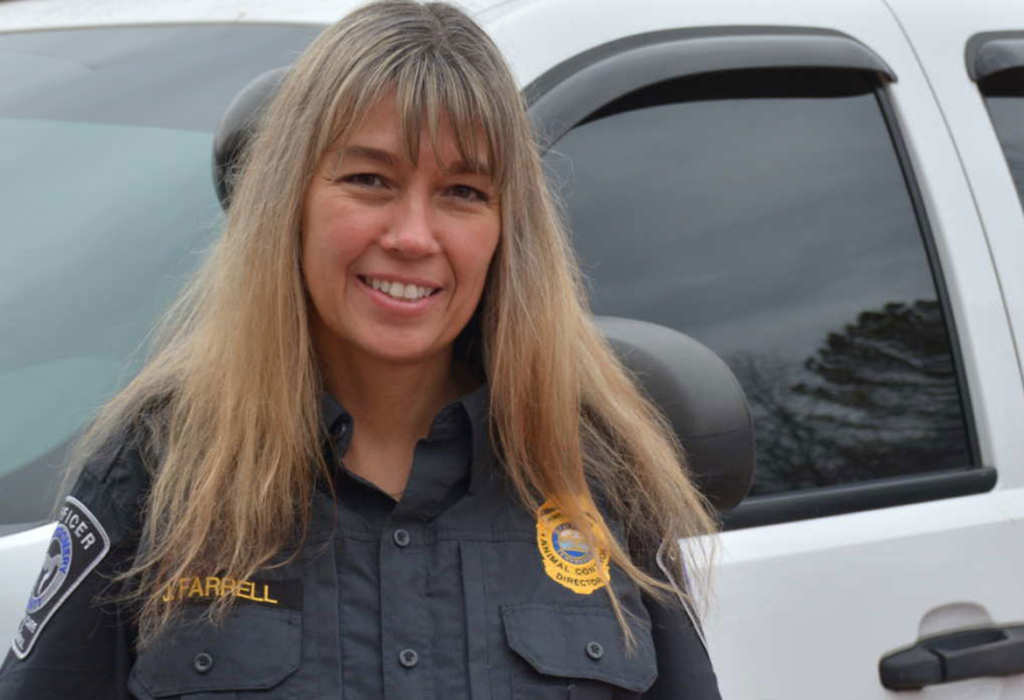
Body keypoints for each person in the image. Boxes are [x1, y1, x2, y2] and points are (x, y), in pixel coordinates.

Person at [0, 1, 721, 697]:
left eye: (463, 191)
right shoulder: (158, 472)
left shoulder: (599, 475)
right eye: (369, 180)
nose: (412, 236)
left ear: (508, 230)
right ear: (291, 203)